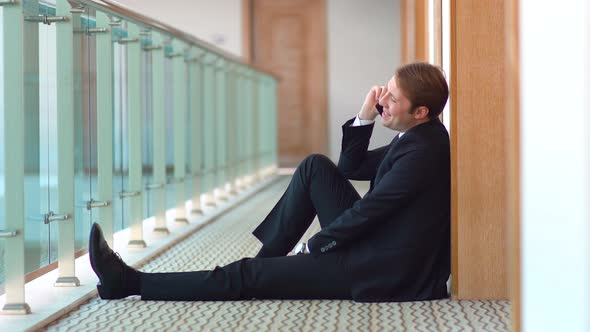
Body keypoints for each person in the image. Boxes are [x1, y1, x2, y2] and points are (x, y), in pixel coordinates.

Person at [89, 61, 450, 302]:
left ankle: (129, 283)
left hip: (381, 269)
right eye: (384, 90)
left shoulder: (421, 151)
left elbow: (371, 211)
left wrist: (315, 246)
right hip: (377, 243)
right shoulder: (417, 135)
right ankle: (271, 266)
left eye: (393, 98)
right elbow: (350, 167)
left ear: (420, 112)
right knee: (314, 168)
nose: (383, 100)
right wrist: (364, 116)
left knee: (247, 274)